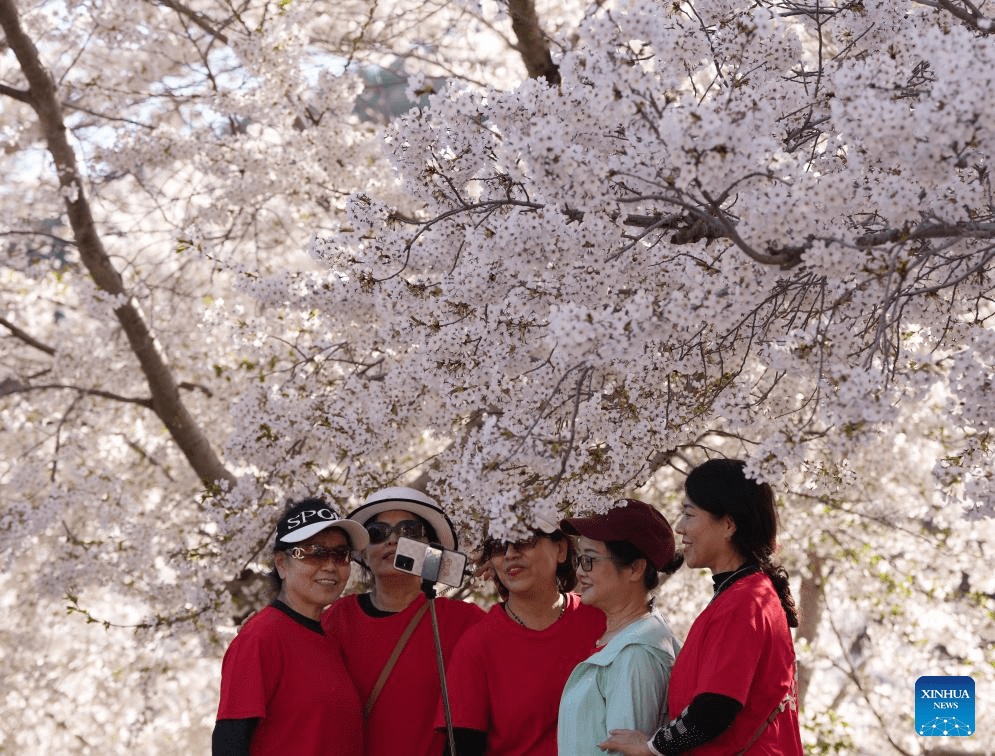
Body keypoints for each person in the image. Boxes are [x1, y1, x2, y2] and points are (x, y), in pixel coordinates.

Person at [599, 458, 804, 756]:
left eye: (689, 515)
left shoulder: (743, 602)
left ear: (728, 524)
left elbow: (716, 708)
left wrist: (651, 746)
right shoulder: (750, 593)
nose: (680, 528)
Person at [321, 486, 485, 756]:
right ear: (364, 552)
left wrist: (503, 576)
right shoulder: (337, 619)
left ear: (431, 550)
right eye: (378, 533)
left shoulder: (465, 621)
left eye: (409, 531)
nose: (393, 540)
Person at [214, 497, 369, 756]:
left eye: (341, 555)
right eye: (314, 552)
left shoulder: (332, 640)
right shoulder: (261, 638)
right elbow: (230, 743)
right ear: (282, 564)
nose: (330, 565)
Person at [440, 519, 606, 756]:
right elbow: (464, 746)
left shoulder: (602, 619)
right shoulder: (477, 645)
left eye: (522, 539)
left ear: (560, 549)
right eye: (497, 546)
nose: (509, 554)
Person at [556, 499, 683, 756]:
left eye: (590, 560)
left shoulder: (636, 655)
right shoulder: (625, 640)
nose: (580, 571)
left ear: (635, 568)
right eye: (579, 559)